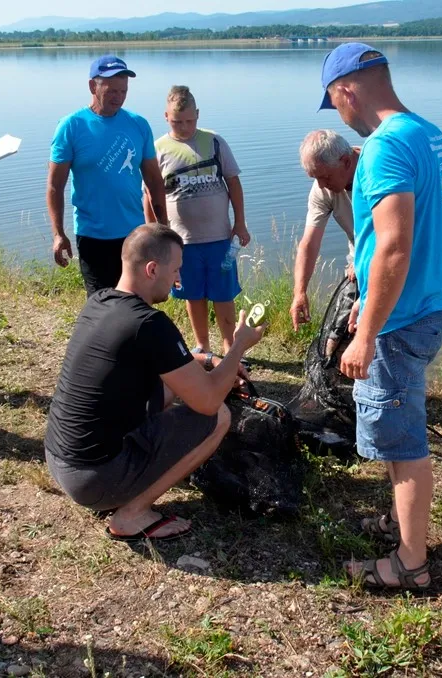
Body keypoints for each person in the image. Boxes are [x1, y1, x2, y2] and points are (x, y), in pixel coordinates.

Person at [319, 43, 442, 590]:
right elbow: (401, 242)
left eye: (334, 103)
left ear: (346, 91)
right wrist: (367, 300)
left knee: (403, 440)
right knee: (399, 428)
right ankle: (401, 524)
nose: (339, 117)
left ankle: (410, 564)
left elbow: (394, 249)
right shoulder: (429, 134)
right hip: (430, 302)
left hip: (401, 321)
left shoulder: (383, 147)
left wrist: (367, 334)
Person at [44, 224, 265, 541]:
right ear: (152, 269)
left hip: (61, 461)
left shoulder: (101, 301)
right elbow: (208, 402)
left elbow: (170, 364)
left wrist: (207, 361)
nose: (178, 279)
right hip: (95, 479)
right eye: (175, 270)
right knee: (218, 417)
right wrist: (239, 345)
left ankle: (129, 482)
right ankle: (132, 515)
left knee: (174, 383)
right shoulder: (149, 324)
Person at [47, 55, 168, 297]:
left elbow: (154, 181)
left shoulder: (138, 124)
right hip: (93, 235)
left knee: (135, 302)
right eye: (112, 91)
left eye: (123, 91)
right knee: (102, 303)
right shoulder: (71, 126)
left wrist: (163, 228)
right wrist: (58, 234)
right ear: (93, 86)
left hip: (133, 234)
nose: (118, 97)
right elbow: (54, 186)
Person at [145, 85, 249, 357]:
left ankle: (230, 346)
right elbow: (149, 195)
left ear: (198, 115)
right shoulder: (158, 149)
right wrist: (154, 233)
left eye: (190, 121)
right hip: (181, 242)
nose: (184, 127)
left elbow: (233, 183)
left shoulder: (214, 142)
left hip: (220, 238)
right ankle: (203, 345)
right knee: (193, 294)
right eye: (177, 122)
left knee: (223, 294)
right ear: (166, 116)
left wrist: (240, 223)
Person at [291, 129, 359, 331]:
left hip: (401, 262)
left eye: (325, 177)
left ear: (346, 162)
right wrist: (300, 291)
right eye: (315, 178)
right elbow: (309, 243)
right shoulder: (322, 187)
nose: (321, 185)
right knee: (337, 334)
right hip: (358, 263)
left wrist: (364, 261)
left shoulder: (380, 170)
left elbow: (398, 233)